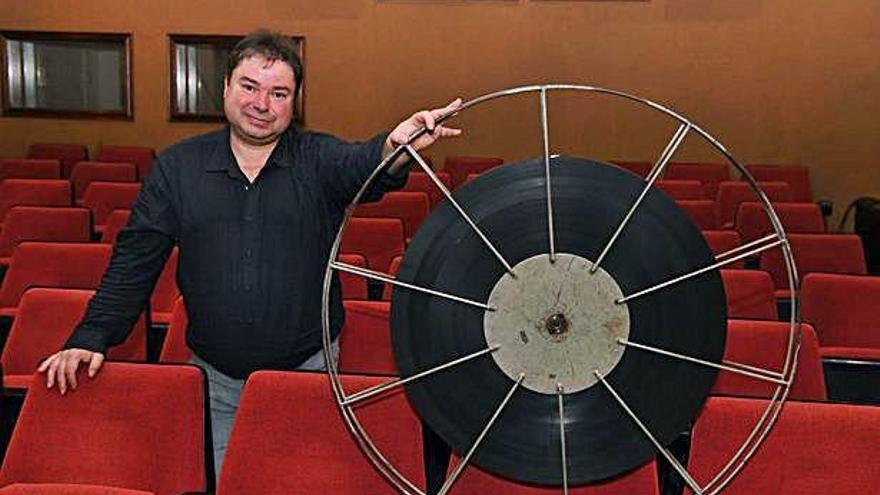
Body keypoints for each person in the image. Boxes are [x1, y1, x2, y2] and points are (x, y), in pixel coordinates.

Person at [37, 29, 461, 478]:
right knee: (229, 481)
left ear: (294, 103)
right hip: (214, 379)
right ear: (225, 87)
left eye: (279, 93)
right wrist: (91, 335)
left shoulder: (318, 159)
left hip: (309, 374)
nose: (262, 105)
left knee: (300, 483)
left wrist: (395, 148)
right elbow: (135, 260)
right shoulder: (178, 168)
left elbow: (366, 165)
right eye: (250, 87)